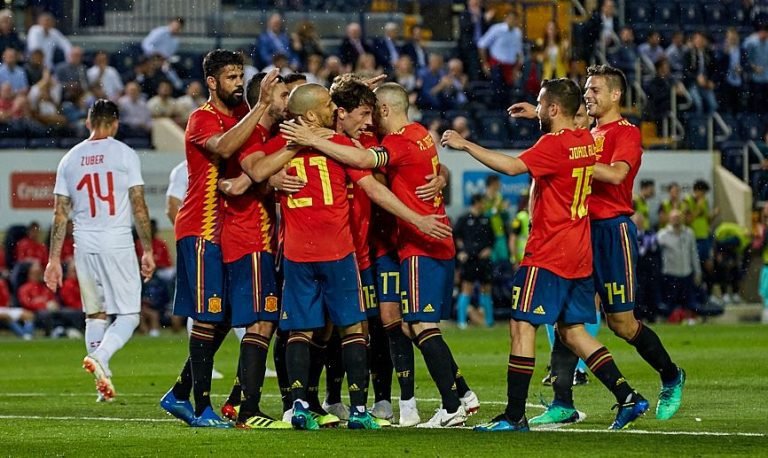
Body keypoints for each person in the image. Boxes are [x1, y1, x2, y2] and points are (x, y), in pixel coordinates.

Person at [443, 77, 647, 432]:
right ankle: (628, 396)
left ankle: (514, 415)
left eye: (541, 104)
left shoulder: (553, 144)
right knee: (573, 332)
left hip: (549, 252)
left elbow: (511, 167)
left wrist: (465, 144)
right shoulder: (585, 140)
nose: (537, 108)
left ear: (553, 109)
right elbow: (567, 124)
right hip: (579, 253)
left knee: (522, 327)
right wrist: (538, 113)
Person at [281, 82, 477, 429]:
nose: (368, 121)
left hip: (375, 247)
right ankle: (327, 401)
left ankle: (401, 402)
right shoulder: (396, 136)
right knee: (346, 328)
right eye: (362, 114)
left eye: (371, 113)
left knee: (387, 323)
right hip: (353, 248)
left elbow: (372, 169)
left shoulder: (373, 140)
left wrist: (441, 177)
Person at [158, 50, 278, 428]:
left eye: (240, 76)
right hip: (200, 228)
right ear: (211, 82)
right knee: (208, 318)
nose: (238, 83)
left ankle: (179, 394)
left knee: (224, 316)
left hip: (226, 231)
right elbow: (225, 147)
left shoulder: (240, 112)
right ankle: (201, 408)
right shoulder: (202, 118)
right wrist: (261, 106)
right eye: (230, 77)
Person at [559, 65, 684, 423]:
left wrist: (578, 158)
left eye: (595, 90)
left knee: (622, 324)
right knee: (567, 319)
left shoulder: (626, 132)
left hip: (612, 233)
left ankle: (671, 375)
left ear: (615, 95)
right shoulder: (589, 133)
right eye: (586, 89)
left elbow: (616, 174)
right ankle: (562, 402)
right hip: (581, 231)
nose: (587, 95)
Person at [44, 99, 155, 401]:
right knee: (129, 315)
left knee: (95, 315)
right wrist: (147, 250)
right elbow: (139, 205)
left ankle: (102, 384)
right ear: (116, 123)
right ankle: (101, 357)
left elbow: (59, 214)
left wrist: (53, 260)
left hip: (84, 244)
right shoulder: (125, 153)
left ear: (88, 123)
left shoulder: (69, 159)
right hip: (116, 242)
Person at [454, 194, 495, 329]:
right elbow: (456, 236)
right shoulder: (464, 219)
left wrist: (488, 249)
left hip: (483, 259)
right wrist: (461, 251)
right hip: (470, 259)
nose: (484, 205)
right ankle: (461, 322)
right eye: (482, 202)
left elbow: (492, 238)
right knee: (467, 288)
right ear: (476, 202)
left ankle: (489, 321)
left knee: (486, 289)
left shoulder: (486, 219)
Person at [657, 210, 701, 322]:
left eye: (678, 217)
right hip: (670, 274)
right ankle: (669, 321)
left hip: (686, 273)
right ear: (669, 219)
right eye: (674, 218)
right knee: (670, 303)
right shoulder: (662, 235)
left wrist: (697, 271)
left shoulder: (689, 233)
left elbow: (693, 253)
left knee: (688, 303)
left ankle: (688, 321)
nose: (676, 220)